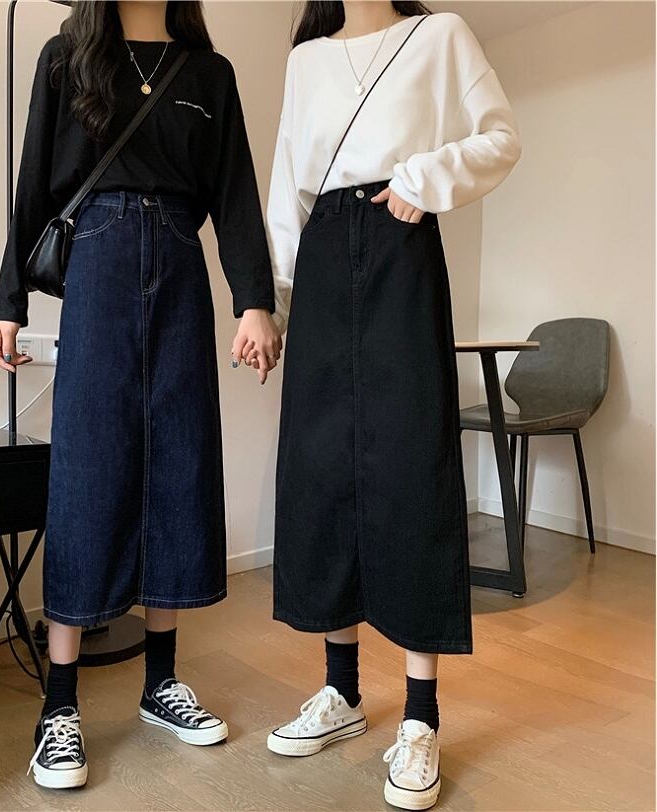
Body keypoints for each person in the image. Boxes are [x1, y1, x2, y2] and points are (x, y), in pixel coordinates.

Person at [0, 0, 280, 790]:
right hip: (98, 265)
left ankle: (161, 682)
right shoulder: (67, 56)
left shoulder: (209, 74)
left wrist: (254, 300)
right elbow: (31, 181)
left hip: (181, 266)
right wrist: (9, 300)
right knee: (88, 472)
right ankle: (59, 706)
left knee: (177, 464)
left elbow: (236, 193)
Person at [265, 2, 521, 809]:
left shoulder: (439, 34)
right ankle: (341, 691)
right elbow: (286, 186)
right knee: (322, 469)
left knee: (412, 465)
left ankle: (420, 716)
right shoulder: (306, 59)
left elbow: (500, 137)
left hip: (400, 244)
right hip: (319, 258)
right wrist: (272, 303)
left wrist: (422, 179)